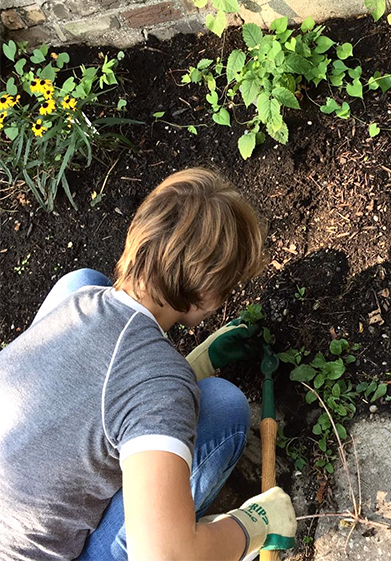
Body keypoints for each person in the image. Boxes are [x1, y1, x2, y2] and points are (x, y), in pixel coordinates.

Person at [0, 168, 296, 561]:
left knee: (81, 278)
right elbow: (165, 555)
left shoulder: (76, 302)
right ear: (209, 293)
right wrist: (253, 525)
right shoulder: (161, 386)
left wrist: (187, 369)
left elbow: (107, 386)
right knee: (224, 408)